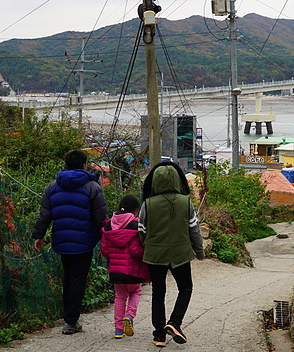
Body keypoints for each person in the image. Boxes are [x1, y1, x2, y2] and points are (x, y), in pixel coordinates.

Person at [32, 149, 108, 335]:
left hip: (62, 240)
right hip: (85, 241)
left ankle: (68, 317)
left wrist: (38, 235)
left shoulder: (52, 187)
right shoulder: (92, 187)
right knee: (78, 278)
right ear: (84, 165)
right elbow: (101, 217)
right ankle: (71, 320)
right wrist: (107, 235)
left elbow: (45, 215)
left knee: (68, 277)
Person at [139, 161, 205, 347]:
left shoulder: (148, 204)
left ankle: (159, 335)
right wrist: (199, 251)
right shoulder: (185, 202)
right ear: (177, 180)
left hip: (155, 254)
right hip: (180, 253)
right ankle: (175, 322)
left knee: (158, 292)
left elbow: (141, 230)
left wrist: (148, 246)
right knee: (185, 288)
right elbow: (194, 229)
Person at [100, 194, 150, 339]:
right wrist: (145, 252)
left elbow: (104, 250)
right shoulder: (135, 225)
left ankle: (118, 330)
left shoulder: (108, 225)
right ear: (135, 210)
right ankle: (129, 315)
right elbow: (135, 250)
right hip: (133, 270)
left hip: (115, 270)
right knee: (136, 292)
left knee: (120, 297)